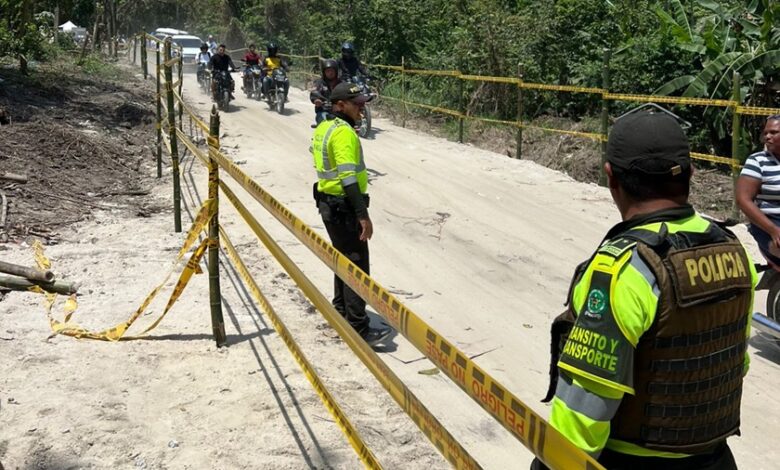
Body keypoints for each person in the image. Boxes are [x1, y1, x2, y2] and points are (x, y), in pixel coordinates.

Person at [533, 110, 756, 470]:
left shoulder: (623, 269)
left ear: (610, 176)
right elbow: (735, 361)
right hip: (716, 458)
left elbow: (585, 408)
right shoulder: (733, 250)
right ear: (690, 174)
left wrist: (552, 463)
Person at [310, 83, 391, 347]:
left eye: (363, 103)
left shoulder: (324, 126)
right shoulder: (344, 133)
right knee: (356, 267)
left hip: (328, 204)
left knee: (342, 260)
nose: (362, 108)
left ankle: (341, 312)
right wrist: (362, 215)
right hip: (343, 208)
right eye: (357, 104)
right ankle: (358, 328)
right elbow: (347, 178)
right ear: (340, 105)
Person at [736, 115, 780, 266]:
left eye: (773, 132)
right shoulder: (757, 161)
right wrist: (773, 230)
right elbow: (743, 200)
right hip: (769, 223)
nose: (767, 136)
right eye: (766, 133)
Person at [309, 59, 342, 126]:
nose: (330, 73)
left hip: (340, 112)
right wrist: (316, 100)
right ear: (324, 72)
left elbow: (348, 93)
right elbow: (314, 92)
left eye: (332, 70)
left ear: (336, 71)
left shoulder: (341, 83)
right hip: (324, 111)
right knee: (324, 123)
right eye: (328, 71)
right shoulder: (319, 83)